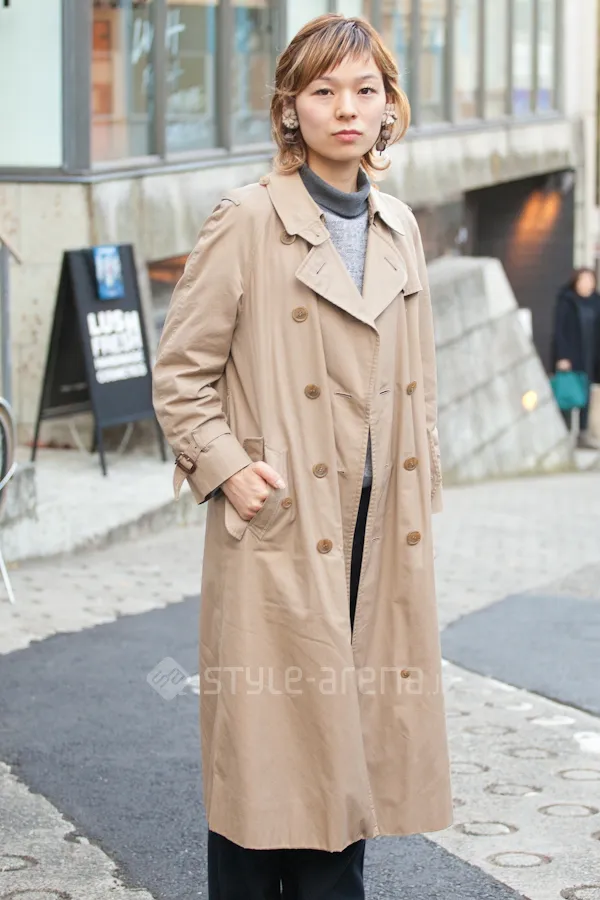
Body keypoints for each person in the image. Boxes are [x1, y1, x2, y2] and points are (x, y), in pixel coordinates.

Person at [152, 14, 452, 899]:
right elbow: (181, 375)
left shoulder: (399, 227)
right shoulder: (247, 220)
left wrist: (422, 483)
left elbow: (420, 384)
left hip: (378, 539)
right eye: (323, 91)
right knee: (263, 781)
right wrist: (227, 469)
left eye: (365, 90)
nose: (346, 108)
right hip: (281, 531)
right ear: (290, 108)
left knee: (347, 775)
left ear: (389, 106)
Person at [552, 267, 600, 448]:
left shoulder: (596, 302)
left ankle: (583, 434)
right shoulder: (567, 301)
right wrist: (562, 356)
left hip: (590, 354)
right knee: (567, 394)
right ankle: (563, 433)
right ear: (576, 282)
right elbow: (559, 330)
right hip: (572, 355)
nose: (587, 284)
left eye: (590, 280)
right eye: (583, 280)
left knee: (586, 395)